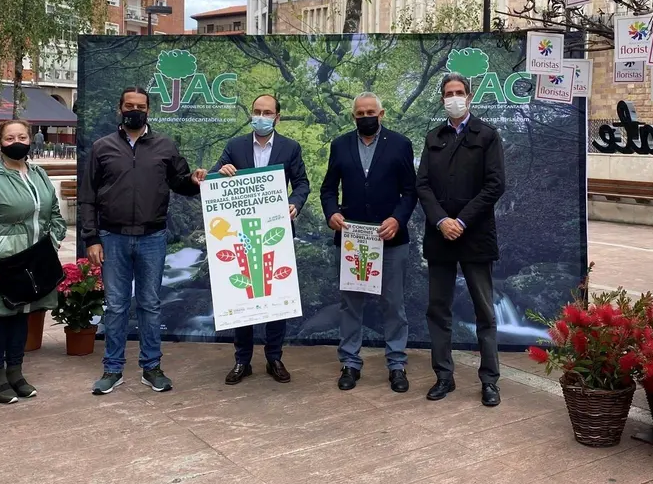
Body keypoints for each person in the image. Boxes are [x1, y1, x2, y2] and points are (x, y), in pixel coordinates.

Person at [79, 87, 205, 395]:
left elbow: (181, 184)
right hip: (112, 237)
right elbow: (87, 197)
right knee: (117, 306)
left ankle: (152, 368)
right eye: (129, 105)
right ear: (119, 108)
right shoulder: (101, 147)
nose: (134, 110)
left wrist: (194, 181)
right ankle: (112, 370)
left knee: (150, 304)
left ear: (149, 110)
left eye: (141, 106)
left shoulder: (165, 146)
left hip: (153, 237)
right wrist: (91, 238)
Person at [204, 94, 310, 385]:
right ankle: (242, 361)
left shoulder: (291, 147)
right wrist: (220, 172)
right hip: (241, 234)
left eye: (267, 112)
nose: (261, 116)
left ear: (278, 117)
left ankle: (274, 357)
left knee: (276, 298)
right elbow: (211, 178)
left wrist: (295, 203)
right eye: (256, 111)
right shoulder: (235, 146)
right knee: (244, 297)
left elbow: (302, 183)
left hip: (276, 234)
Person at [416, 72, 506, 407]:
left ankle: (490, 381)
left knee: (484, 311)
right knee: (438, 310)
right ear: (442, 99)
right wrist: (441, 220)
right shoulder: (433, 137)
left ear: (469, 96)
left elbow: (495, 185)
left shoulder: (488, 135)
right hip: (440, 237)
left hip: (475, 237)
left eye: (459, 92)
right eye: (448, 93)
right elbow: (422, 185)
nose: (453, 97)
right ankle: (443, 376)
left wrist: (461, 221)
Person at [320, 92, 417, 393]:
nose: (366, 117)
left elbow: (411, 192)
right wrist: (332, 213)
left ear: (382, 113)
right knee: (351, 304)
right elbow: (327, 190)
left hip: (391, 239)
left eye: (370, 112)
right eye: (360, 113)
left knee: (393, 304)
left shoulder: (400, 144)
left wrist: (397, 219)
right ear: (354, 117)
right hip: (351, 240)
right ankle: (350, 362)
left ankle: (397, 364)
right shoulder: (340, 145)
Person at [0, 119, 67, 404]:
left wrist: (53, 241)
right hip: (2, 260)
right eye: (10, 138)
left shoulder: (38, 174)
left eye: (22, 136)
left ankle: (15, 373)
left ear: (31, 139)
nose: (17, 142)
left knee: (22, 314)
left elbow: (54, 213)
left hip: (33, 259)